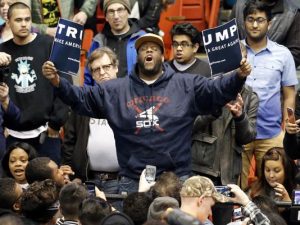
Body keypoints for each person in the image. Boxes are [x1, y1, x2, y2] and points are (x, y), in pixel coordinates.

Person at [42, 33, 251, 194]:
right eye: (143, 49)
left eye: (154, 48)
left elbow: (217, 90)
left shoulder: (186, 84)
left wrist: (238, 76)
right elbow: (81, 98)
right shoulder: (116, 90)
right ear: (137, 55)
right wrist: (57, 82)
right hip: (132, 179)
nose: (149, 51)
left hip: (177, 177)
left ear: (162, 55)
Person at [0, 2, 71, 165]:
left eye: (27, 19)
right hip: (12, 135)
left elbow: (64, 84)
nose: (24, 24)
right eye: (18, 20)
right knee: (13, 188)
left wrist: (56, 122)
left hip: (46, 133)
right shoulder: (2, 51)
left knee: (49, 186)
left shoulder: (49, 44)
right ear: (8, 22)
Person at [239, 0, 298, 190]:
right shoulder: (233, 52)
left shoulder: (283, 54)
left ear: (269, 24)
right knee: (236, 186)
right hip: (237, 133)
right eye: (250, 19)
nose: (255, 25)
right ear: (244, 22)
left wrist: (288, 121)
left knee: (276, 186)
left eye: (260, 20)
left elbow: (289, 93)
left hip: (271, 132)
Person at [62, 47, 120, 195]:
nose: (102, 72)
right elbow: (69, 141)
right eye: (96, 69)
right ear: (92, 75)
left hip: (120, 180)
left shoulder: (129, 99)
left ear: (116, 68)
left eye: (106, 67)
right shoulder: (83, 101)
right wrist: (71, 172)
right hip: (87, 180)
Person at [84, 0, 145, 85]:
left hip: (134, 96)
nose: (116, 16)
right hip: (104, 96)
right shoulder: (98, 42)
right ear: (106, 17)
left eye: (120, 10)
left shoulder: (143, 40)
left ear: (128, 12)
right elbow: (88, 78)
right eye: (111, 11)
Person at [231, 0, 300, 67]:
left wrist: (268, 69)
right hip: (239, 69)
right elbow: (229, 41)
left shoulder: (292, 13)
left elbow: (295, 53)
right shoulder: (239, 5)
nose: (255, 25)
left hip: (272, 74)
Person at [28, 0, 98, 36]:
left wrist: (85, 12)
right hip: (37, 37)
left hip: (68, 34)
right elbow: (19, 22)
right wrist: (45, 30)